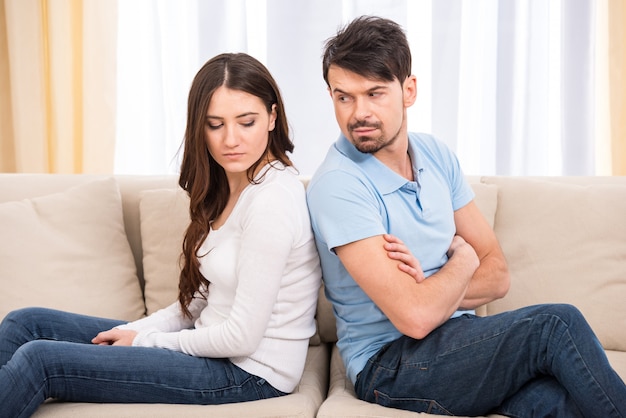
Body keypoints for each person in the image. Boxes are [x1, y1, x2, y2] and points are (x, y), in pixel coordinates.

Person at [306, 15, 626, 417]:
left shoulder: (435, 155)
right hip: (390, 365)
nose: (359, 113)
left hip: (461, 342)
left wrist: (429, 289)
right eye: (343, 97)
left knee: (567, 404)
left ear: (409, 91)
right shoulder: (338, 185)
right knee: (556, 324)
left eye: (374, 93)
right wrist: (463, 259)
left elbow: (499, 276)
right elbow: (417, 317)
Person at [0, 52, 321, 418]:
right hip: (215, 348)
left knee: (42, 361)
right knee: (25, 323)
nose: (231, 139)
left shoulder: (272, 201)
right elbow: (198, 305)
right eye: (215, 125)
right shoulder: (231, 188)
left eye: (246, 122)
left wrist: (144, 341)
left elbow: (241, 338)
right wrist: (134, 331)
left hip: (249, 372)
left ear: (272, 117)